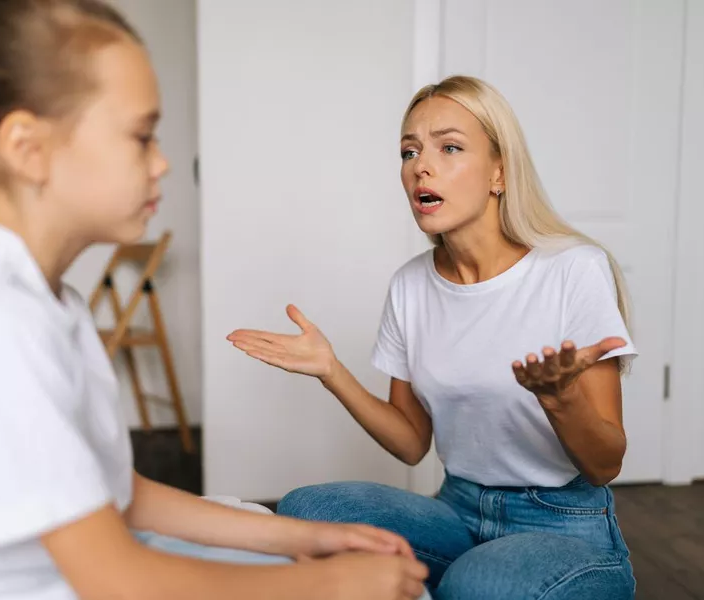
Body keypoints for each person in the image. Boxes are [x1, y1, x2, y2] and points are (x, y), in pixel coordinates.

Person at [0, 1, 431, 599]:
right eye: (141, 137)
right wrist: (327, 584)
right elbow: (114, 577)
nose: (162, 162)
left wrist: (299, 539)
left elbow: (123, 493)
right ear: (28, 149)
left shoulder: (53, 303)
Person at [228, 75, 638, 600]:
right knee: (310, 511)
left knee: (478, 582)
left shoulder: (574, 269)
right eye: (409, 150)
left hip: (563, 524)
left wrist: (561, 401)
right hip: (457, 511)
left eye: (449, 147)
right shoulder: (411, 285)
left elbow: (606, 463)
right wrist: (332, 372)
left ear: (499, 172)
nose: (421, 165)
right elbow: (411, 442)